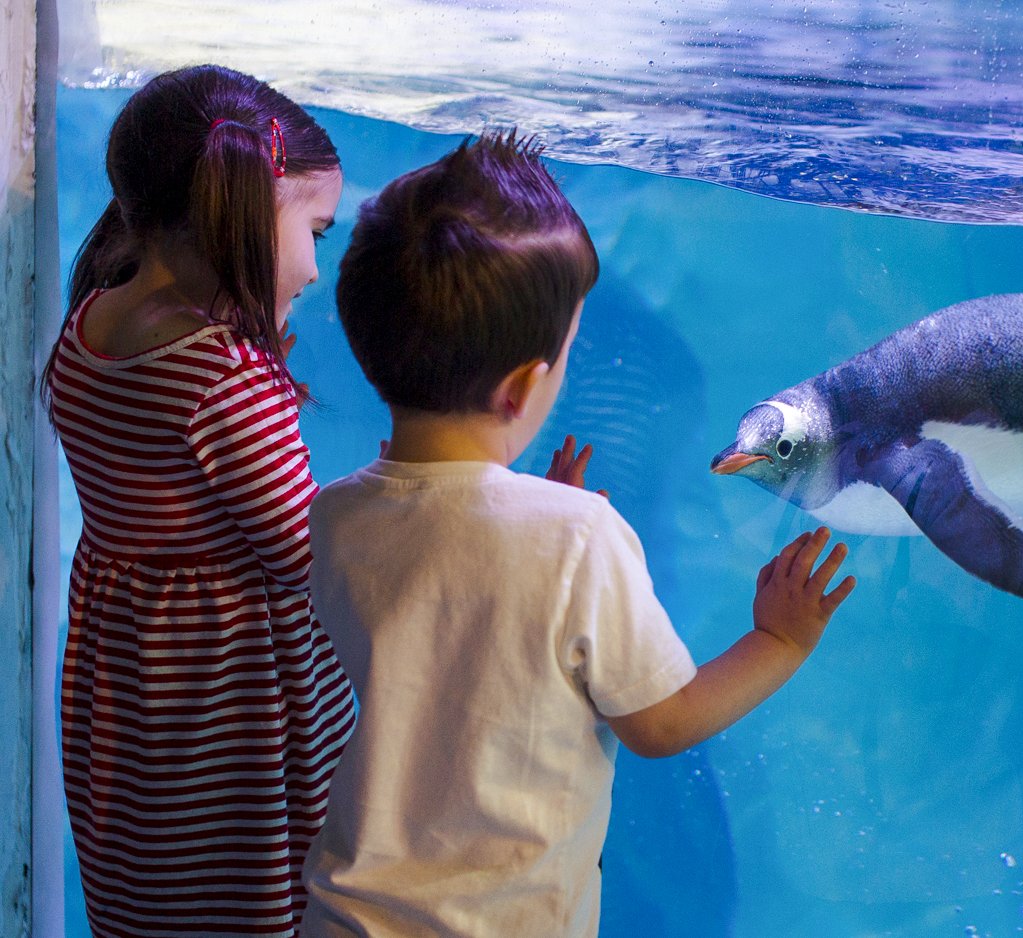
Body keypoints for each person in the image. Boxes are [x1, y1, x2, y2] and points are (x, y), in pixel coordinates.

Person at [298, 132, 857, 937]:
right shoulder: (578, 537)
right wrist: (780, 640)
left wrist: (539, 521)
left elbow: (441, 629)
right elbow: (660, 724)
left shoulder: (336, 515)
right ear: (528, 384)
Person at [42, 65, 356, 937]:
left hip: (131, 680)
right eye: (314, 231)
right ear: (241, 209)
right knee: (254, 895)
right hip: (231, 697)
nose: (315, 269)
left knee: (159, 889)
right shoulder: (224, 375)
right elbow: (303, 556)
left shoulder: (89, 325)